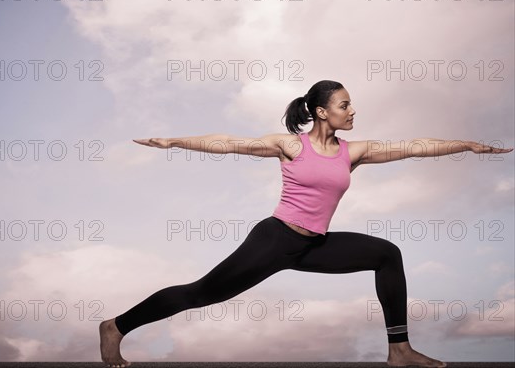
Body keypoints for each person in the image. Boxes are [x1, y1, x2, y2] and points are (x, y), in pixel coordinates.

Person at [99, 80, 512, 368]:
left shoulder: (354, 152)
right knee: (203, 293)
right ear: (321, 111)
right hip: (275, 240)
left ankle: (399, 350)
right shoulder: (289, 145)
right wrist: (175, 141)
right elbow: (227, 143)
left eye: (351, 105)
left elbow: (413, 147)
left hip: (315, 245)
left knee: (387, 254)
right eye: (344, 105)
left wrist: (467, 145)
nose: (352, 111)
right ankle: (117, 326)